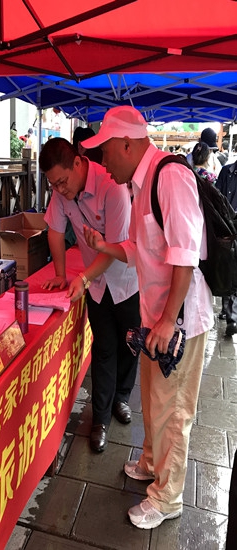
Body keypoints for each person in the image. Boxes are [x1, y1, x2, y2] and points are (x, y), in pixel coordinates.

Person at [81, 106, 213, 528]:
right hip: (156, 319)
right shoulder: (142, 183)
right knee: (154, 402)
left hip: (179, 323)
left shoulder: (169, 176)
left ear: (126, 143)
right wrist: (104, 246)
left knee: (174, 412)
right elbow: (140, 250)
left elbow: (185, 255)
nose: (103, 163)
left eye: (105, 152)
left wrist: (168, 320)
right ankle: (153, 463)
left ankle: (168, 496)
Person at [39, 137, 140, 453]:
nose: (60, 190)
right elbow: (54, 232)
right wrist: (59, 273)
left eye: (63, 181)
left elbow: (112, 249)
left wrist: (82, 277)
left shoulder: (112, 187)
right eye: (53, 185)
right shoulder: (60, 192)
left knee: (131, 345)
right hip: (96, 288)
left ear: (78, 163)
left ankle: (122, 398)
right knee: (104, 350)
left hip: (127, 284)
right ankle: (100, 420)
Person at [215, 158, 237, 335]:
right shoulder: (226, 172)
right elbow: (218, 197)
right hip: (229, 227)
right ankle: (230, 314)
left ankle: (231, 314)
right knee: (229, 268)